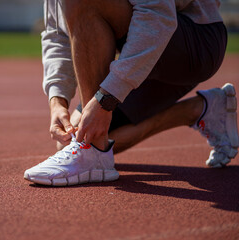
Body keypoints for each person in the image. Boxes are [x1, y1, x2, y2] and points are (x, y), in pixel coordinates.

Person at [24, 0, 238, 186]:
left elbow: (158, 14)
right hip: (144, 50)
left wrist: (106, 98)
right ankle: (197, 110)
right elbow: (56, 33)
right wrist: (57, 101)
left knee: (84, 0)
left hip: (195, 41)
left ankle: (90, 152)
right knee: (74, 138)